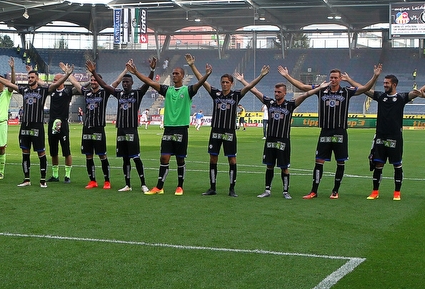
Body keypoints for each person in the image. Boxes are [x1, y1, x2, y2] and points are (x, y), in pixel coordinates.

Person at [280, 64, 381, 199]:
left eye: (335, 78)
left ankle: (335, 191)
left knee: (340, 161)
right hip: (325, 131)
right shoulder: (322, 90)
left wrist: (375, 76)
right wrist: (287, 76)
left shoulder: (346, 91)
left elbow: (365, 88)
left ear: (340, 79)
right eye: (331, 77)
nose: (333, 80)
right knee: (318, 161)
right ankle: (314, 191)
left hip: (340, 132)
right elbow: (303, 87)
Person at [342, 71, 425, 201]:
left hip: (395, 137)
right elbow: (364, 89)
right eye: (384, 83)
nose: (384, 85)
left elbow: (419, 92)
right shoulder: (380, 96)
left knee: (397, 165)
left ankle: (397, 193)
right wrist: (349, 80)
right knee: (378, 165)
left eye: (387, 83)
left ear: (394, 84)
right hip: (380, 136)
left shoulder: (401, 98)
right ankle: (375, 191)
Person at [127, 55, 212, 195]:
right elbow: (149, 82)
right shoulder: (167, 90)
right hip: (168, 128)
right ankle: (159, 187)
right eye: (173, 73)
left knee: (180, 158)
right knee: (164, 157)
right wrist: (136, 72)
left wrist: (206, 74)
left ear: (182, 76)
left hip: (181, 128)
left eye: (177, 73)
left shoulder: (187, 91)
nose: (174, 75)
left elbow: (199, 83)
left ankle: (180, 186)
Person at [188, 57, 269, 197]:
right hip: (216, 132)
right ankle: (212, 187)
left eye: (227, 82)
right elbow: (202, 81)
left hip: (229, 132)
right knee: (213, 159)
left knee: (232, 159)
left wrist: (261, 75)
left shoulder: (236, 95)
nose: (224, 84)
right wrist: (192, 66)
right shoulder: (216, 94)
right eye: (223, 82)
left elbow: (249, 87)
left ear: (231, 84)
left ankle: (232, 189)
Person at [237, 72, 321, 199]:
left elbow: (305, 94)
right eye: (275, 92)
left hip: (283, 141)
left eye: (279, 92)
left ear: (284, 93)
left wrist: (320, 88)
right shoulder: (270, 103)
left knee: (284, 167)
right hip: (270, 140)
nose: (276, 94)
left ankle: (285, 191)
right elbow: (255, 91)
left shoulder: (290, 105)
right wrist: (243, 81)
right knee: (269, 166)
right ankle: (267, 190)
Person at [0, 63, 73, 188]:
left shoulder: (43, 90)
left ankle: (43, 180)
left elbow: (56, 84)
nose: (30, 80)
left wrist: (67, 75)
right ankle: (27, 179)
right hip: (25, 126)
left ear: (37, 79)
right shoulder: (24, 90)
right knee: (25, 152)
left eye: (32, 78)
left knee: (41, 153)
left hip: (37, 126)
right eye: (29, 78)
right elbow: (9, 84)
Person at [86, 57, 155, 192]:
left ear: (132, 83)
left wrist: (152, 70)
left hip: (131, 130)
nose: (124, 84)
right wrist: (94, 73)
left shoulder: (137, 93)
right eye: (123, 82)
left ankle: (143, 184)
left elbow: (148, 83)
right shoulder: (119, 94)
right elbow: (105, 86)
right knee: (125, 158)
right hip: (121, 130)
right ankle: (127, 185)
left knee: (136, 158)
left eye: (127, 82)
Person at [71, 60, 117, 190]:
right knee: (88, 155)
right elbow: (75, 83)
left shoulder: (104, 92)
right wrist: (68, 73)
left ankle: (107, 181)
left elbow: (116, 83)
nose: (93, 82)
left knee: (102, 155)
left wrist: (125, 71)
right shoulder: (86, 93)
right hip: (87, 129)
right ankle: (92, 180)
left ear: (99, 82)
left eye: (95, 80)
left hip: (98, 129)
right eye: (91, 80)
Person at [47, 69, 77, 183]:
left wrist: (68, 74)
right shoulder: (51, 91)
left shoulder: (68, 92)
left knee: (66, 151)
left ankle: (67, 176)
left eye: (55, 80)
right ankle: (55, 175)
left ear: (61, 81)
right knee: (53, 151)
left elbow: (81, 87)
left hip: (63, 124)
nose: (53, 82)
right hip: (52, 123)